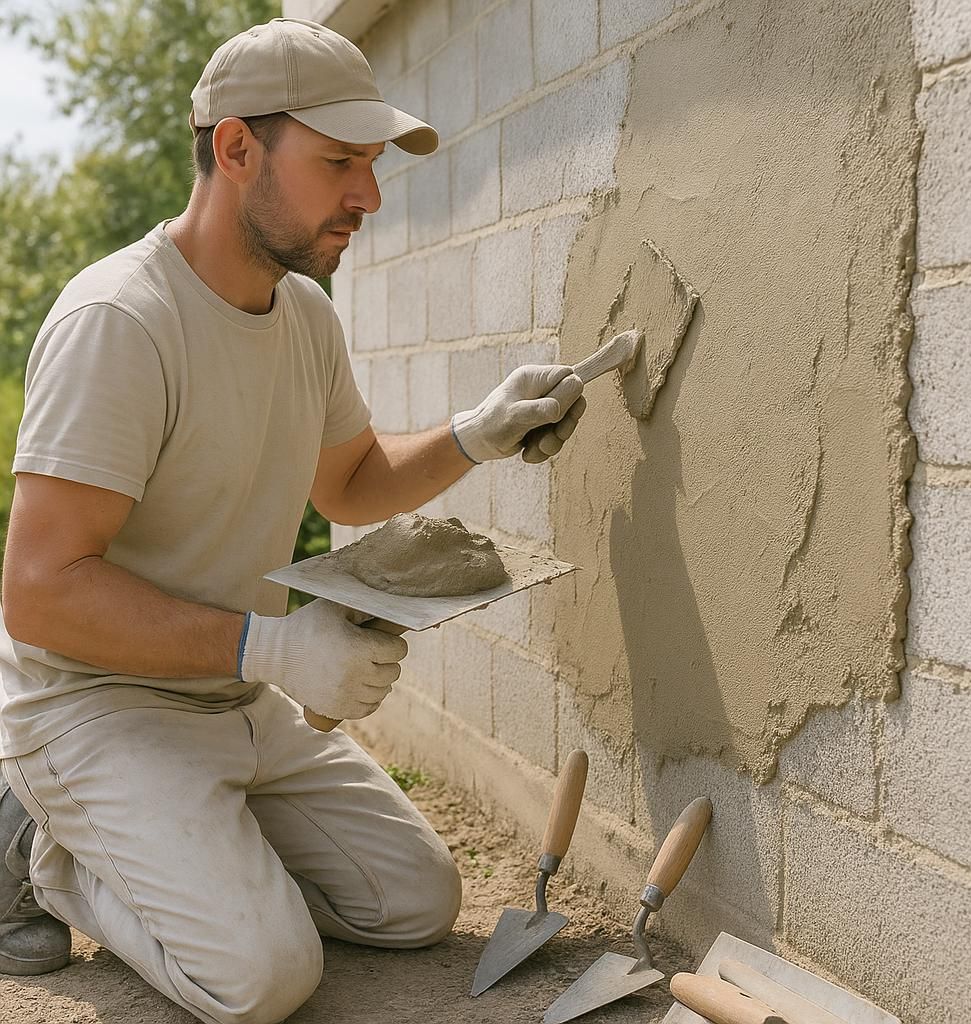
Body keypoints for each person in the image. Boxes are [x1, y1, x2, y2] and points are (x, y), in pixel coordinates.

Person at [0, 18, 586, 1022]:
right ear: (236, 148)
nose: (368, 196)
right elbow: (38, 593)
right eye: (339, 163)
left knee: (414, 901)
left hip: (231, 698)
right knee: (262, 978)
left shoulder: (305, 315)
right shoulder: (121, 322)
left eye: (370, 164)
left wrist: (476, 434)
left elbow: (348, 483)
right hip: (95, 708)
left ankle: (185, 851)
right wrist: (270, 645)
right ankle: (45, 846)